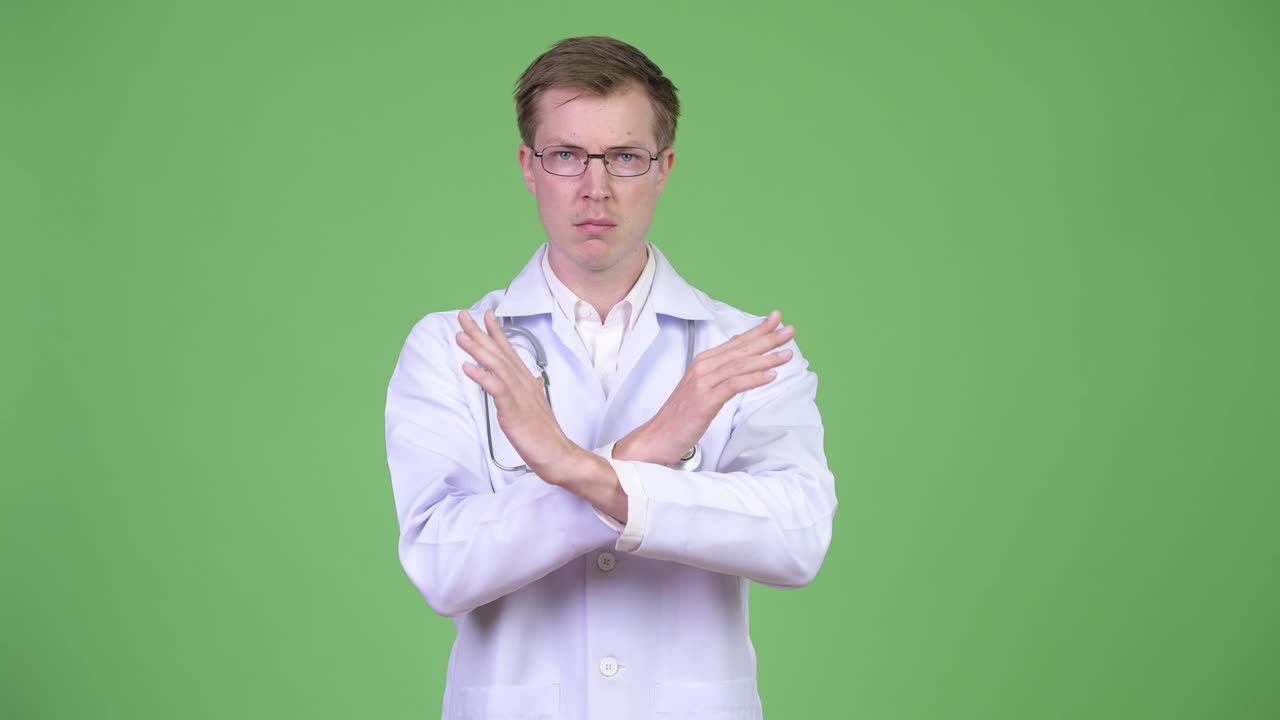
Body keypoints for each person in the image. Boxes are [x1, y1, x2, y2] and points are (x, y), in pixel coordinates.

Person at [385, 36, 837, 720]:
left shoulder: (742, 352)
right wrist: (644, 453)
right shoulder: (453, 347)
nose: (595, 188)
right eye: (567, 155)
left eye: (624, 156)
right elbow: (445, 569)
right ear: (529, 167)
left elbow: (795, 538)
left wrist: (579, 469)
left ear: (664, 167)